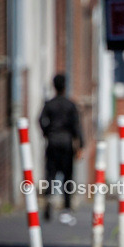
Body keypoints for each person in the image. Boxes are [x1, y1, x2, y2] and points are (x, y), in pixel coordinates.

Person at [39, 74, 84, 225]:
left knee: (50, 173)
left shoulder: (49, 104)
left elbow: (40, 120)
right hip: (66, 143)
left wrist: (46, 133)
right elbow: (77, 127)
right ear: (65, 86)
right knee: (67, 176)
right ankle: (66, 208)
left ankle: (49, 198)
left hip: (52, 141)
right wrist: (80, 146)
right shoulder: (70, 105)